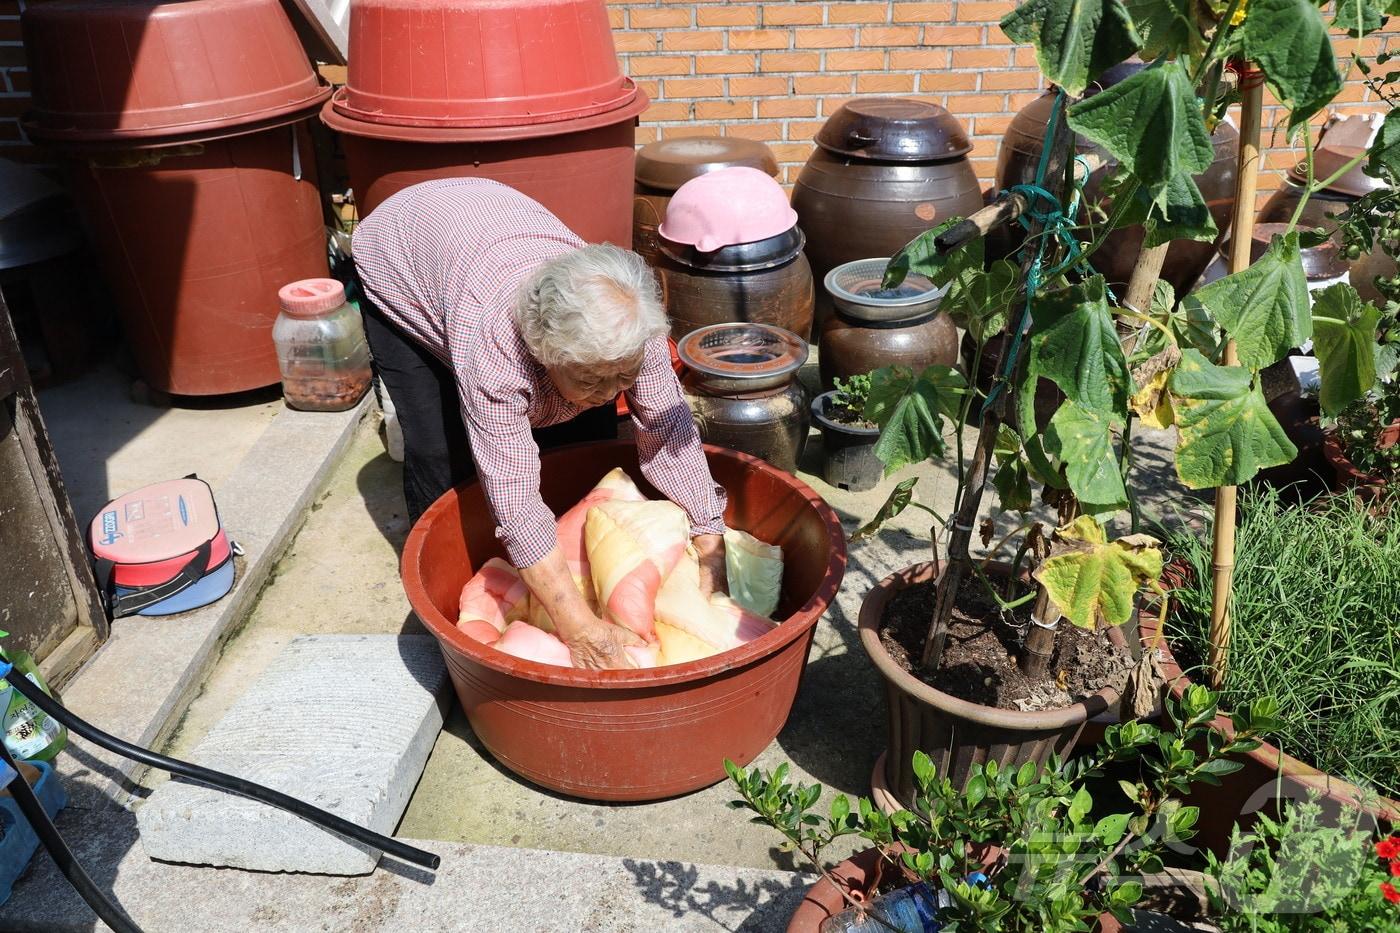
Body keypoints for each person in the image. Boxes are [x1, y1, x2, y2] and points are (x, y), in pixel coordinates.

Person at [353, 178, 727, 670]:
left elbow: (668, 430)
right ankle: (443, 602)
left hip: (486, 232)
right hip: (400, 259)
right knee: (439, 447)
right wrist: (578, 628)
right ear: (544, 355)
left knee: (579, 436)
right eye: (594, 378)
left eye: (624, 374)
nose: (614, 390)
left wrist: (709, 533)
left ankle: (562, 563)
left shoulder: (635, 330)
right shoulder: (496, 351)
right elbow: (516, 498)